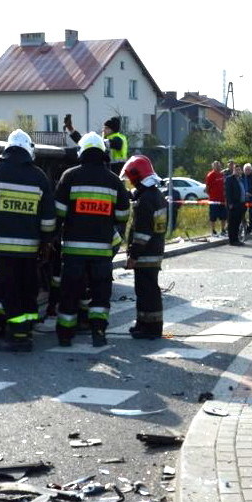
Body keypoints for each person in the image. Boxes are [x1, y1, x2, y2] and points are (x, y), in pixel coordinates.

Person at [0, 129, 56, 352]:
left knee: (10, 292)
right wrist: (46, 242)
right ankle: (27, 329)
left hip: (2, 248)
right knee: (28, 289)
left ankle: (17, 336)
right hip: (30, 250)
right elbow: (48, 217)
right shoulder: (39, 176)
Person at [52, 132, 131, 348]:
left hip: (74, 252)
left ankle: (65, 335)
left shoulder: (69, 176)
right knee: (100, 295)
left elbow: (58, 212)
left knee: (69, 293)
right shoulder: (114, 181)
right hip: (102, 253)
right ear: (103, 154)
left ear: (82, 152)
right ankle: (98, 333)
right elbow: (123, 215)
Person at [121, 155, 169, 340]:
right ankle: (144, 324)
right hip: (155, 251)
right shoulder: (156, 196)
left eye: (131, 179)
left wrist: (133, 255)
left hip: (146, 254)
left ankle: (151, 329)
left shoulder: (145, 201)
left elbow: (142, 233)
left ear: (137, 177)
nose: (131, 183)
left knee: (146, 292)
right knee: (147, 290)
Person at [224, 163, 251, 245]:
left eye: (239, 170)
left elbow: (241, 190)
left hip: (241, 204)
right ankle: (232, 240)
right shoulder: (229, 179)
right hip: (233, 205)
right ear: (233, 170)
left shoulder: (240, 178)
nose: (238, 171)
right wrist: (230, 204)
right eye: (236, 170)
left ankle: (236, 239)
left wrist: (245, 194)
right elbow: (228, 193)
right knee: (232, 223)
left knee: (237, 223)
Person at [205, 160, 226, 236]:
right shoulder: (210, 175)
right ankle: (213, 231)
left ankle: (223, 230)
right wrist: (211, 196)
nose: (218, 166)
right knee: (213, 216)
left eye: (219, 165)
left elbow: (224, 186)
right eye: (216, 165)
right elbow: (207, 189)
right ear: (213, 166)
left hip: (222, 200)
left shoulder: (222, 174)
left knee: (223, 216)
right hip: (214, 200)